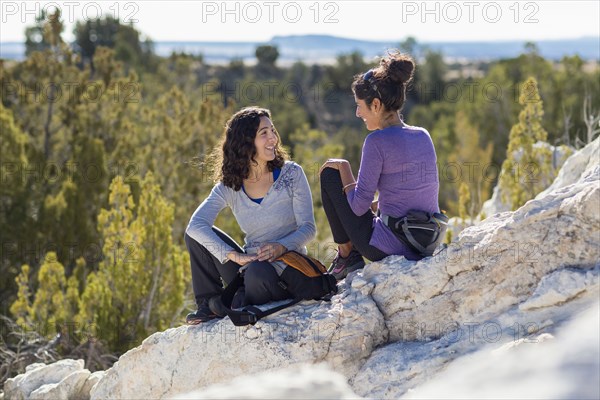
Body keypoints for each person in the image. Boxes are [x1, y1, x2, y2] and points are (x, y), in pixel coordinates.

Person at [184, 107, 316, 324]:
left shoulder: (291, 174)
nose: (273, 138)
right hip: (248, 267)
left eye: (272, 131)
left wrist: (281, 246)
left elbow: (308, 228)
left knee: (256, 273)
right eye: (264, 133)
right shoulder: (229, 186)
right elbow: (195, 226)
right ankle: (209, 305)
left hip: (285, 270)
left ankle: (231, 302)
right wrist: (233, 256)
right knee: (196, 237)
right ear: (245, 142)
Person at [319, 51, 440, 280]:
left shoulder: (376, 141)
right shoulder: (423, 135)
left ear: (375, 104)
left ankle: (347, 257)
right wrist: (379, 205)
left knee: (330, 174)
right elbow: (413, 194)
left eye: (359, 106)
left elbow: (357, 207)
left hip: (390, 248)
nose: (358, 113)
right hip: (424, 242)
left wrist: (344, 168)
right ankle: (347, 257)